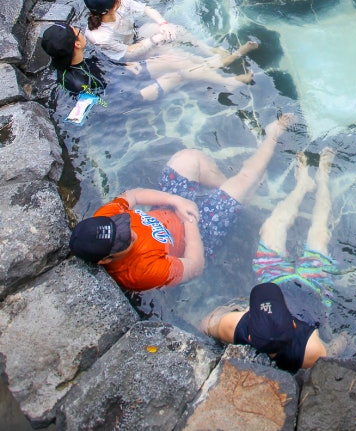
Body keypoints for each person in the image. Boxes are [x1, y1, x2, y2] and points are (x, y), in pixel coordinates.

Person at [67, 115, 293, 291]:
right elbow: (195, 266)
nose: (131, 233)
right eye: (125, 240)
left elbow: (133, 195)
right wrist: (190, 220)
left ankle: (235, 193)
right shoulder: (142, 272)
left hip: (169, 209)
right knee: (245, 179)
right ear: (106, 260)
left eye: (123, 226)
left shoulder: (104, 220)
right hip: (198, 235)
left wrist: (176, 201)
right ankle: (272, 137)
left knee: (187, 158)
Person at [200, 148, 339, 373]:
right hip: (313, 288)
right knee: (320, 234)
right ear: (293, 324)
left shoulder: (235, 326)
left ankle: (302, 186)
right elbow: (332, 355)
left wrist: (228, 310)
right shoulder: (310, 349)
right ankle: (323, 180)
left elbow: (207, 324)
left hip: (275, 278)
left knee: (271, 227)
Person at [82, 0, 257, 95]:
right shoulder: (99, 36)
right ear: (115, 2)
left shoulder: (120, 4)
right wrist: (156, 39)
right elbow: (129, 53)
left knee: (176, 30)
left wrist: (163, 25)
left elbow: (147, 10)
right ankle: (226, 80)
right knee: (178, 60)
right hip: (127, 62)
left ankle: (209, 51)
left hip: (135, 39)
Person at [41, 22, 257, 103]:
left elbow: (101, 67)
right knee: (177, 75)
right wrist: (141, 89)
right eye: (77, 31)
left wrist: (125, 66)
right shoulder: (78, 82)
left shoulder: (71, 62)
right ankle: (227, 81)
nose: (80, 31)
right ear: (77, 44)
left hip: (122, 76)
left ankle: (221, 62)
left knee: (173, 59)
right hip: (130, 94)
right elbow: (108, 103)